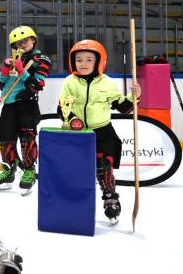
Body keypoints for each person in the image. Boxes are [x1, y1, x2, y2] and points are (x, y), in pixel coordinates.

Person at [57, 39, 140, 225]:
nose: (83, 64)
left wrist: (134, 96)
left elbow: (123, 107)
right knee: (76, 170)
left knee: (104, 166)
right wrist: (73, 120)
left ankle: (110, 198)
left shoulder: (107, 82)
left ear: (99, 61)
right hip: (78, 133)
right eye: (79, 60)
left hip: (102, 132)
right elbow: (62, 107)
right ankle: (75, 201)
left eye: (89, 60)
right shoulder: (70, 82)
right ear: (72, 62)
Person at [0, 26, 52, 194]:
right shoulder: (13, 59)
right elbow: (1, 84)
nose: (22, 45)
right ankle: (9, 171)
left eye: (25, 41)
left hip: (27, 105)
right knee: (5, 137)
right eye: (17, 43)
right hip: (9, 105)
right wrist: (5, 69)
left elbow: (37, 85)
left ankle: (29, 171)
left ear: (33, 40)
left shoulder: (41, 59)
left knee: (27, 138)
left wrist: (22, 70)